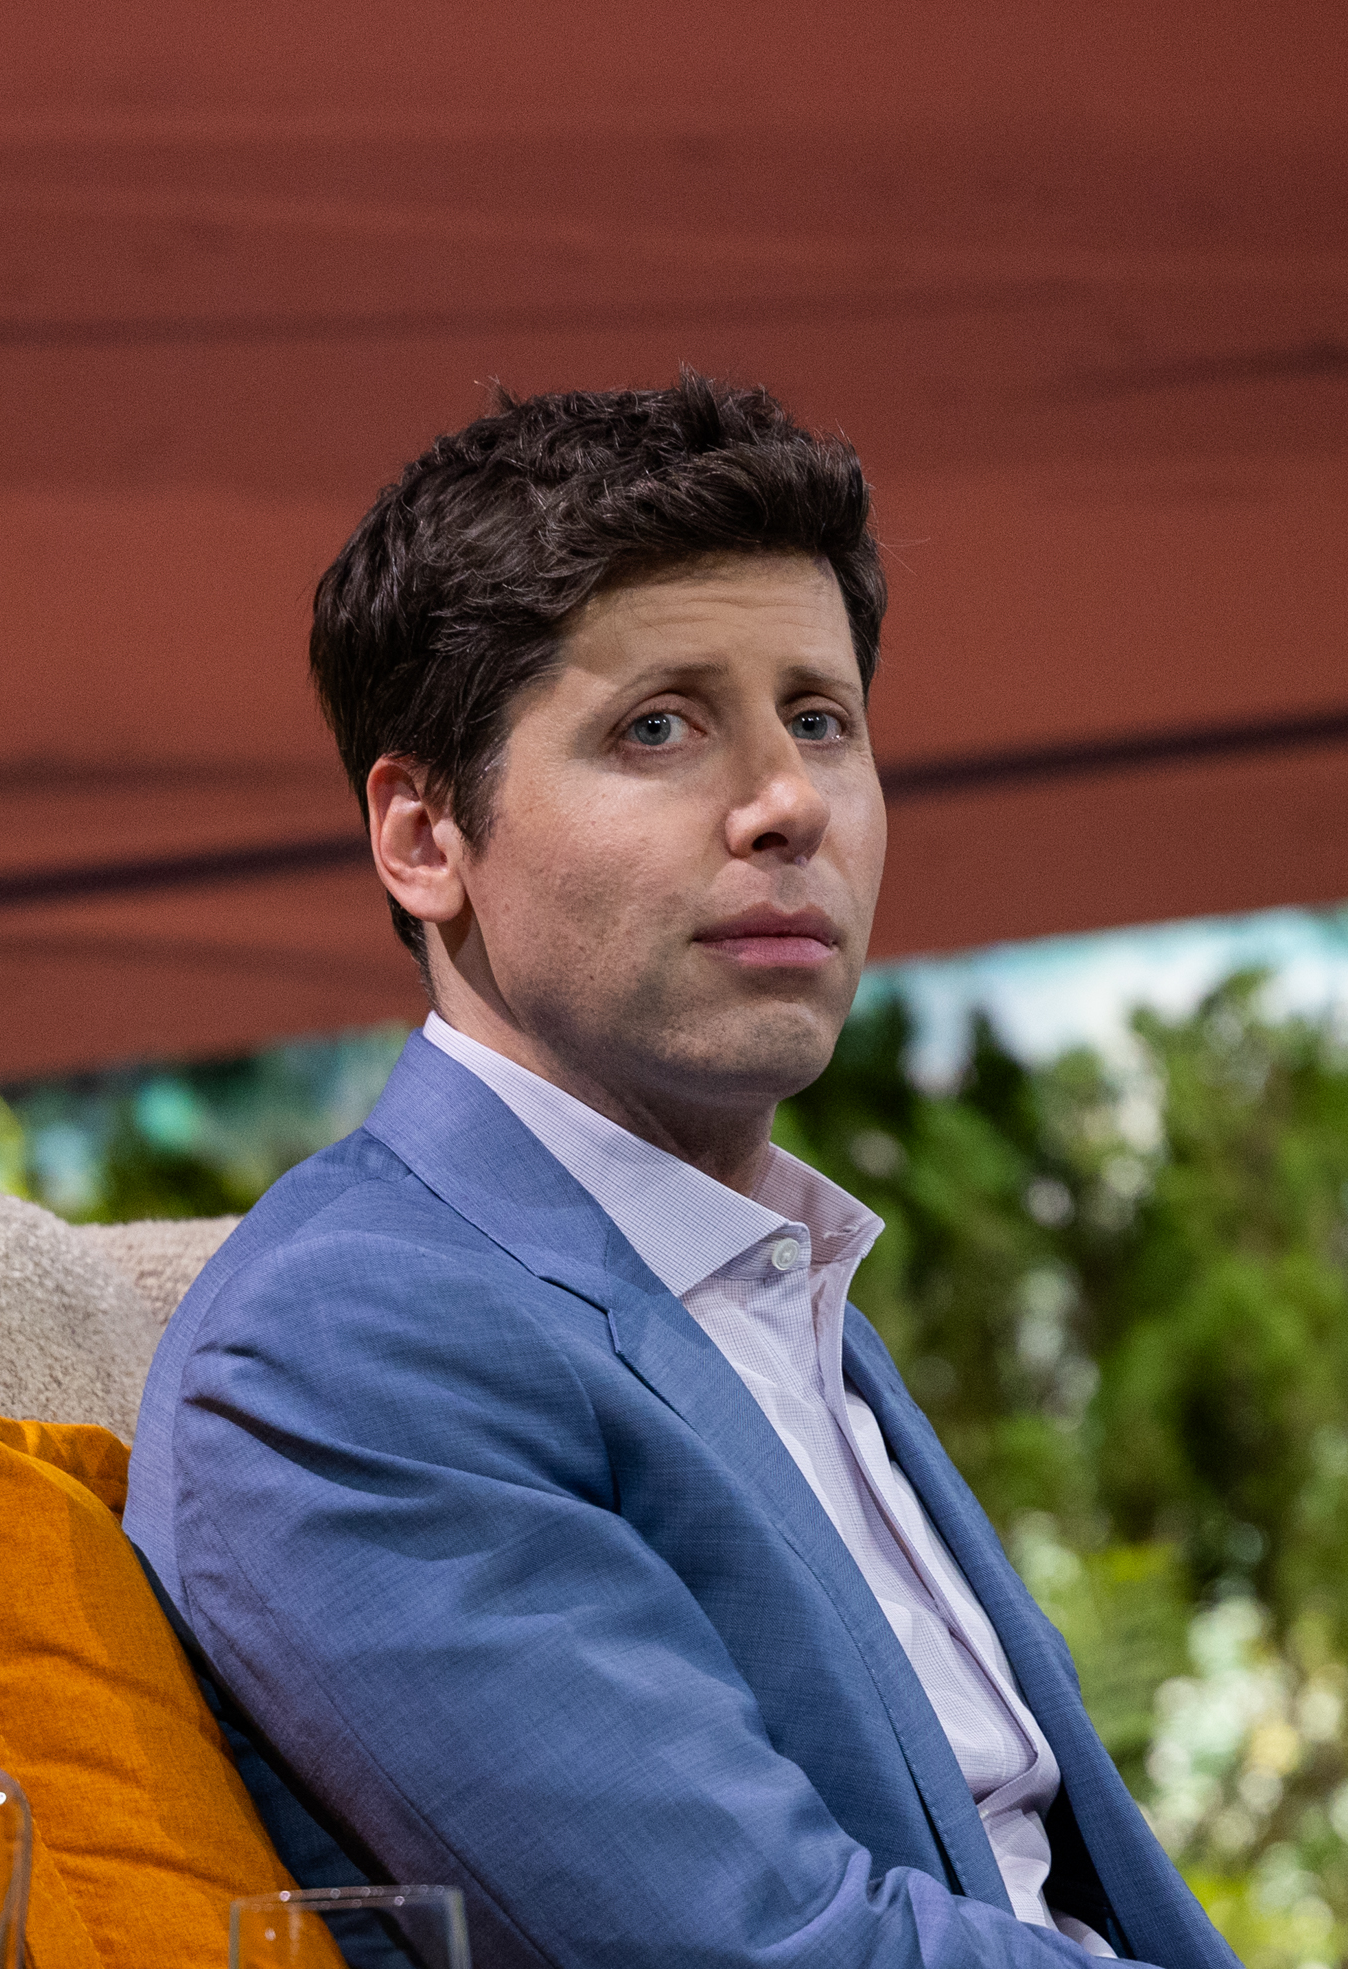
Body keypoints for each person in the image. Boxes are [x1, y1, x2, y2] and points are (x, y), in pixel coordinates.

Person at [123, 374, 1239, 1969]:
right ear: (424, 835)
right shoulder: (349, 1347)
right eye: (660, 725)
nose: (787, 804)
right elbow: (779, 1952)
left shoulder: (763, 1287)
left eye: (820, 718)